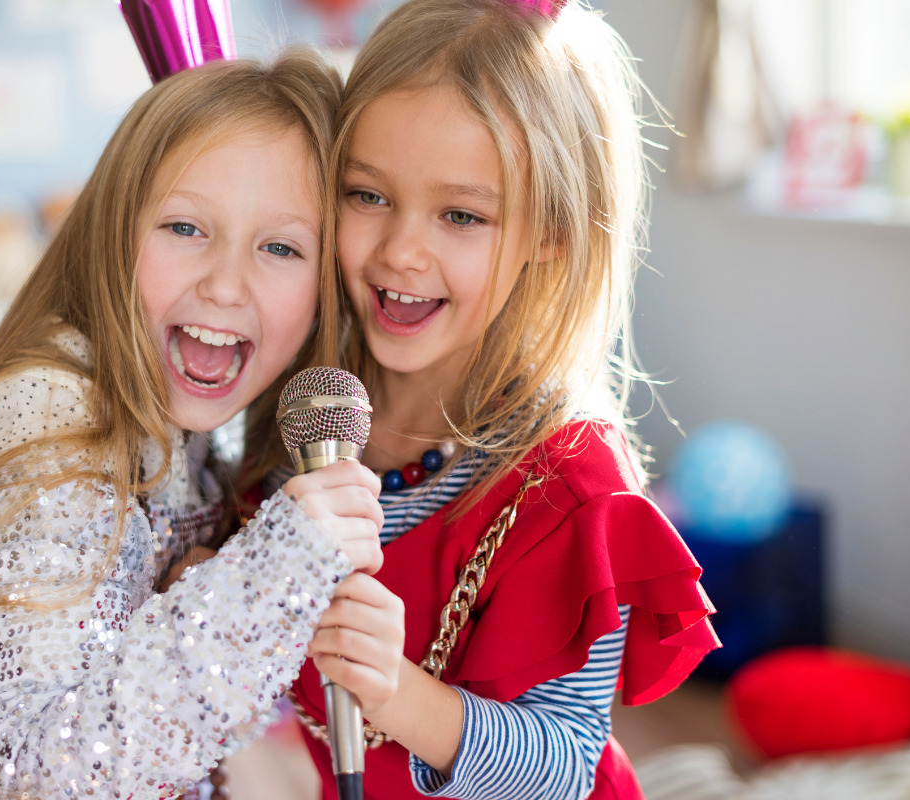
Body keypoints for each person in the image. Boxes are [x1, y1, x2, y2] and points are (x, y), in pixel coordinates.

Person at [0, 50, 387, 800]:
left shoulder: (184, 445)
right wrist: (275, 572)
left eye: (280, 248)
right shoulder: (50, 422)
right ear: (113, 234)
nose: (224, 283)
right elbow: (46, 773)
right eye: (185, 227)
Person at [281, 1, 721, 797]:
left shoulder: (568, 481)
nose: (401, 251)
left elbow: (562, 764)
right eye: (367, 195)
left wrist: (396, 689)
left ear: (552, 228)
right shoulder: (309, 416)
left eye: (461, 215)